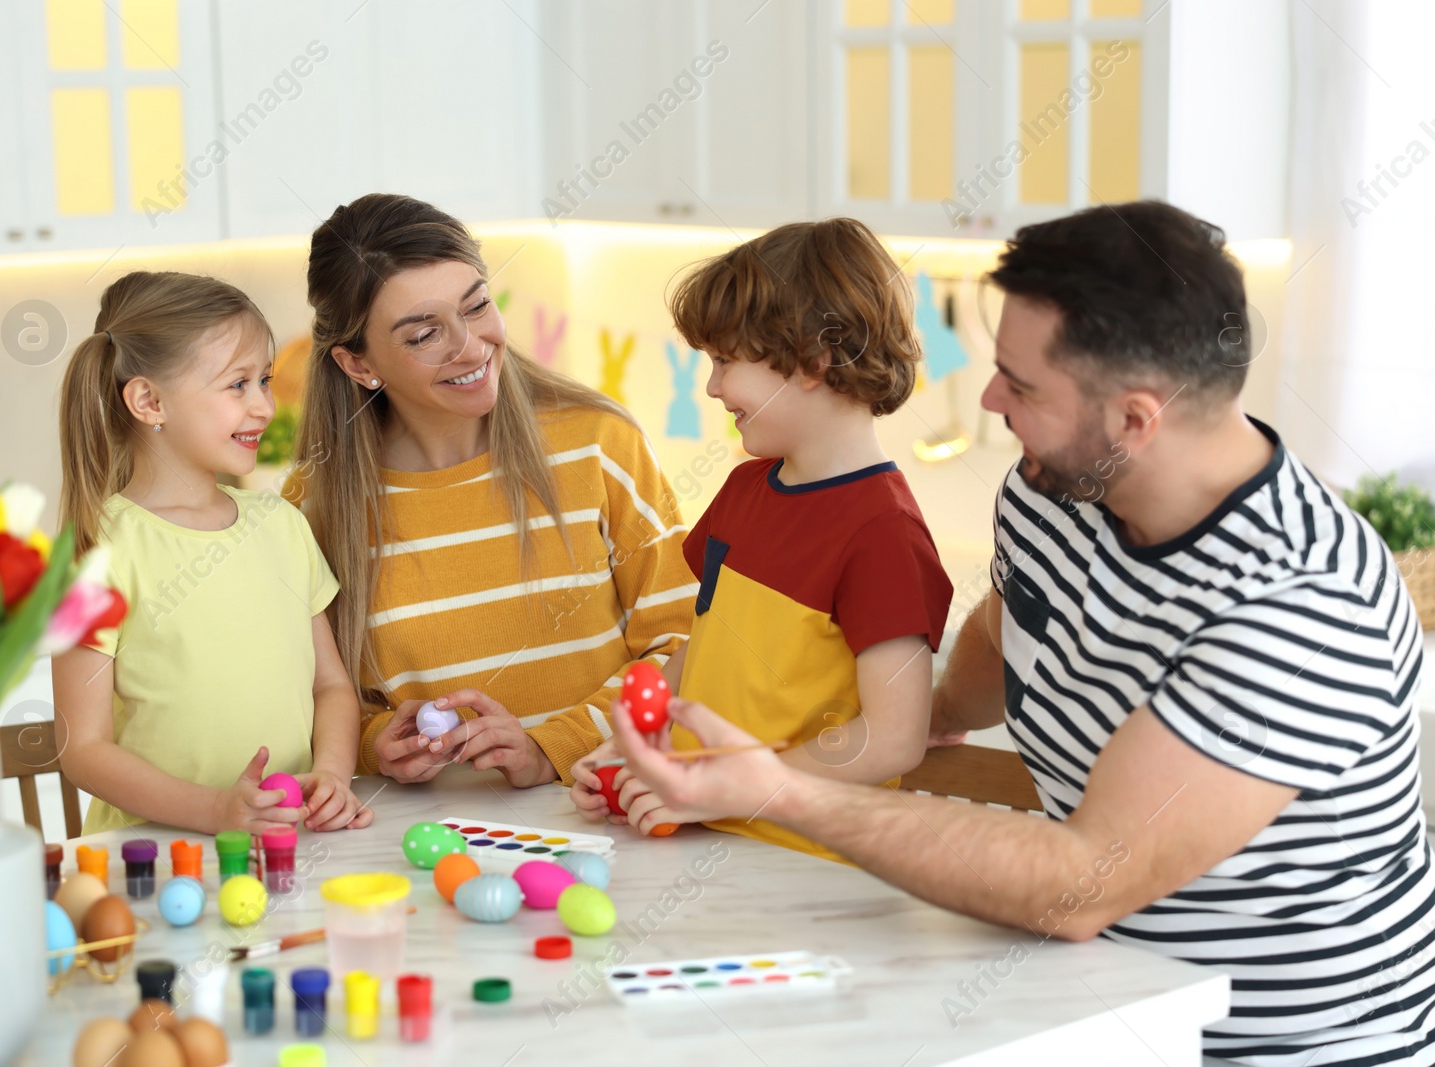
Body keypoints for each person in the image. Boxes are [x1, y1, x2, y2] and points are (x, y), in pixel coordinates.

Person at [608, 201, 1433, 1065]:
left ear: (1134, 420)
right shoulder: (1054, 492)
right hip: (1086, 998)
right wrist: (931, 711)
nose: (992, 399)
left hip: (1267, 1045)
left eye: (1022, 386)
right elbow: (1014, 623)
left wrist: (777, 788)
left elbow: (1077, 886)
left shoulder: (1300, 607)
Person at [567, 218, 953, 860]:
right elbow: (706, 649)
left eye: (723, 361)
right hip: (699, 833)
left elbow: (891, 739)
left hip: (807, 862)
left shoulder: (884, 535)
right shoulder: (745, 491)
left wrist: (731, 789)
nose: (713, 387)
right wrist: (638, 750)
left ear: (812, 361)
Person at [285, 193, 695, 788]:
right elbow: (321, 692)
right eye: (425, 334)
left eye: (476, 307)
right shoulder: (312, 505)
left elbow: (682, 643)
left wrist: (550, 747)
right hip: (414, 836)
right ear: (357, 365)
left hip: (602, 805)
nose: (471, 347)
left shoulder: (598, 443)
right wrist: (378, 745)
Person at [53, 271, 372, 836]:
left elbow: (332, 688)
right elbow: (83, 748)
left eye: (265, 381)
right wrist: (214, 811)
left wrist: (332, 774)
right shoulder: (97, 549)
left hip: (287, 842)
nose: (264, 407)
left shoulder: (282, 526)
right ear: (149, 401)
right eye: (237, 385)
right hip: (152, 859)